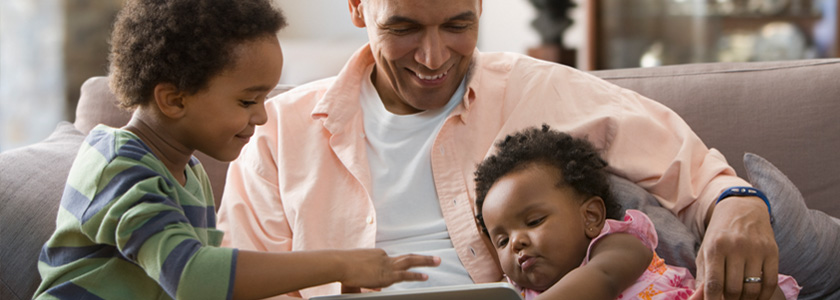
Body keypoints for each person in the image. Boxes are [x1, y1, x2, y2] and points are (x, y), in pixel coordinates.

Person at [217, 0, 782, 299]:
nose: (434, 57)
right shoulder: (274, 132)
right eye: (405, 28)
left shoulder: (535, 87)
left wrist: (739, 204)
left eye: (459, 25)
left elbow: (695, 170)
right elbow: (239, 281)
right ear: (358, 8)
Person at [34, 1, 440, 299]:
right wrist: (339, 262)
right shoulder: (116, 165)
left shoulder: (188, 172)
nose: (262, 117)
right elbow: (192, 276)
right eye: (248, 102)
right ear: (174, 100)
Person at [473, 125, 799, 300]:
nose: (516, 242)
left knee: (754, 291)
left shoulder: (617, 245)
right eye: (501, 240)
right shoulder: (515, 293)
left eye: (534, 222)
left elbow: (601, 280)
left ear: (591, 217)